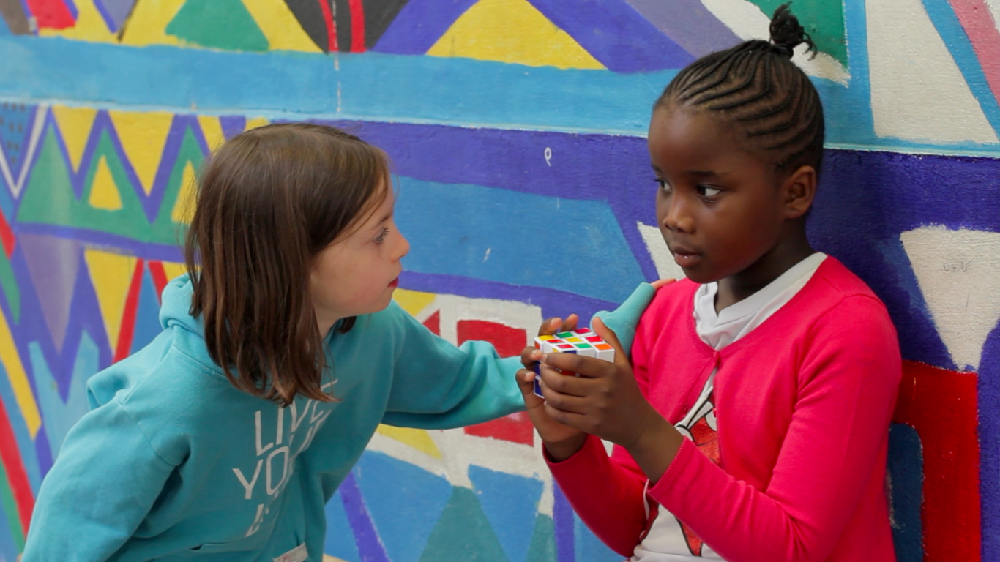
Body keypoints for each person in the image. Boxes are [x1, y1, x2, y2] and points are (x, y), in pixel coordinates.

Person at [22, 123, 653, 561]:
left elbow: (468, 381)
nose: (402, 246)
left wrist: (616, 334)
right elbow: (64, 537)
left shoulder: (368, 334)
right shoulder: (164, 404)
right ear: (292, 261)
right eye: (377, 235)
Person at [517, 5, 901, 561]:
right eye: (664, 184)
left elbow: (791, 547)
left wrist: (640, 428)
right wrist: (569, 440)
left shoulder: (844, 328)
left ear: (794, 192)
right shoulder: (662, 315)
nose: (674, 215)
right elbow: (639, 528)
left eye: (708, 190)